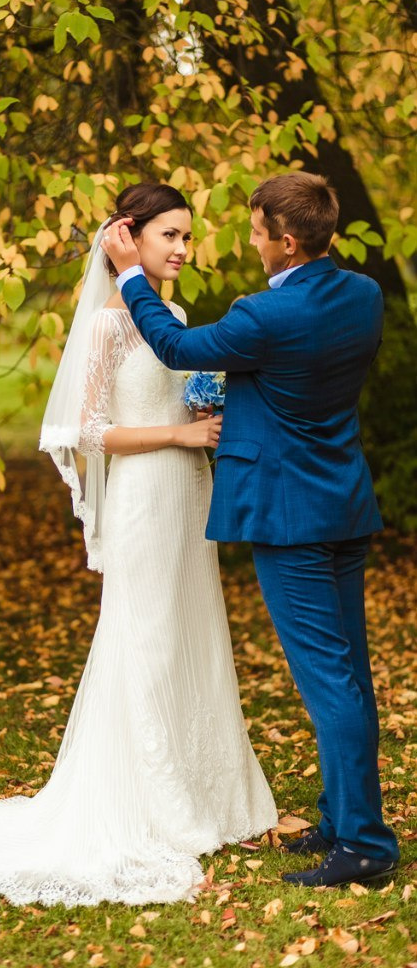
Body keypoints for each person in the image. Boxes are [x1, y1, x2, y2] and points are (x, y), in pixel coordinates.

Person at [0, 183, 277, 906]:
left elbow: (167, 392)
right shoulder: (110, 323)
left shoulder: (167, 314)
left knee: (190, 636)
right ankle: (154, 804)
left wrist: (201, 403)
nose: (180, 248)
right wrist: (178, 431)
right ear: (127, 238)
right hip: (145, 495)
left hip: (186, 493)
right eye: (167, 234)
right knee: (146, 639)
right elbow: (86, 432)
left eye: (186, 237)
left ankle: (209, 792)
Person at [102, 172, 399, 888]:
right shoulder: (363, 296)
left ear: (286, 240)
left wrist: (132, 277)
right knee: (349, 672)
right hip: (344, 505)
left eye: (259, 230)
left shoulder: (265, 317)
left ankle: (364, 844)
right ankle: (339, 815)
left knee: (328, 682)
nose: (252, 241)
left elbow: (176, 348)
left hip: (289, 517)